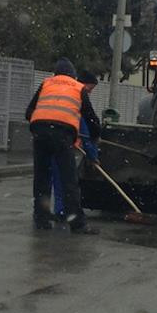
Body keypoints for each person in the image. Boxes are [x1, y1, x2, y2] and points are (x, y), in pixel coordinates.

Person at [26, 58, 101, 234]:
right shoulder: (77, 87)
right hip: (62, 136)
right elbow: (91, 118)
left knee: (42, 179)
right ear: (73, 75)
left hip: (40, 134)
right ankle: (77, 223)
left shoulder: (46, 83)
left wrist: (42, 125)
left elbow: (29, 112)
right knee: (69, 180)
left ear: (55, 73)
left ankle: (41, 219)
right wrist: (95, 137)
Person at [51, 71, 100, 217]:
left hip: (46, 137)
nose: (89, 93)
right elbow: (85, 134)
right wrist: (93, 156)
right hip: (62, 143)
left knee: (52, 179)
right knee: (66, 180)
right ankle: (65, 212)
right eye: (89, 90)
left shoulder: (61, 94)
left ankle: (48, 212)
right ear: (83, 86)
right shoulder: (78, 97)